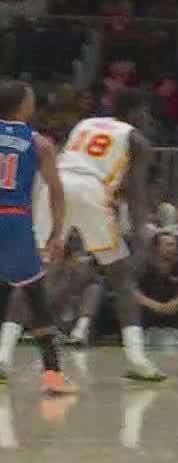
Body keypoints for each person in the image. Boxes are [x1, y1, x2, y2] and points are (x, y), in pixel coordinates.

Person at [12, 89, 165, 381]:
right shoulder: (137, 140)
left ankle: (3, 355)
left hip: (55, 186)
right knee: (120, 277)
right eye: (145, 113)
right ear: (134, 113)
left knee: (31, 274)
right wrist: (141, 233)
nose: (147, 119)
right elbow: (136, 194)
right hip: (90, 190)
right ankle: (137, 359)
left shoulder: (85, 124)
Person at [0, 82, 75, 395]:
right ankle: (53, 374)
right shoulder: (39, 143)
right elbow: (56, 191)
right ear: (23, 105)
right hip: (14, 219)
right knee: (34, 295)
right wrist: (57, 233)